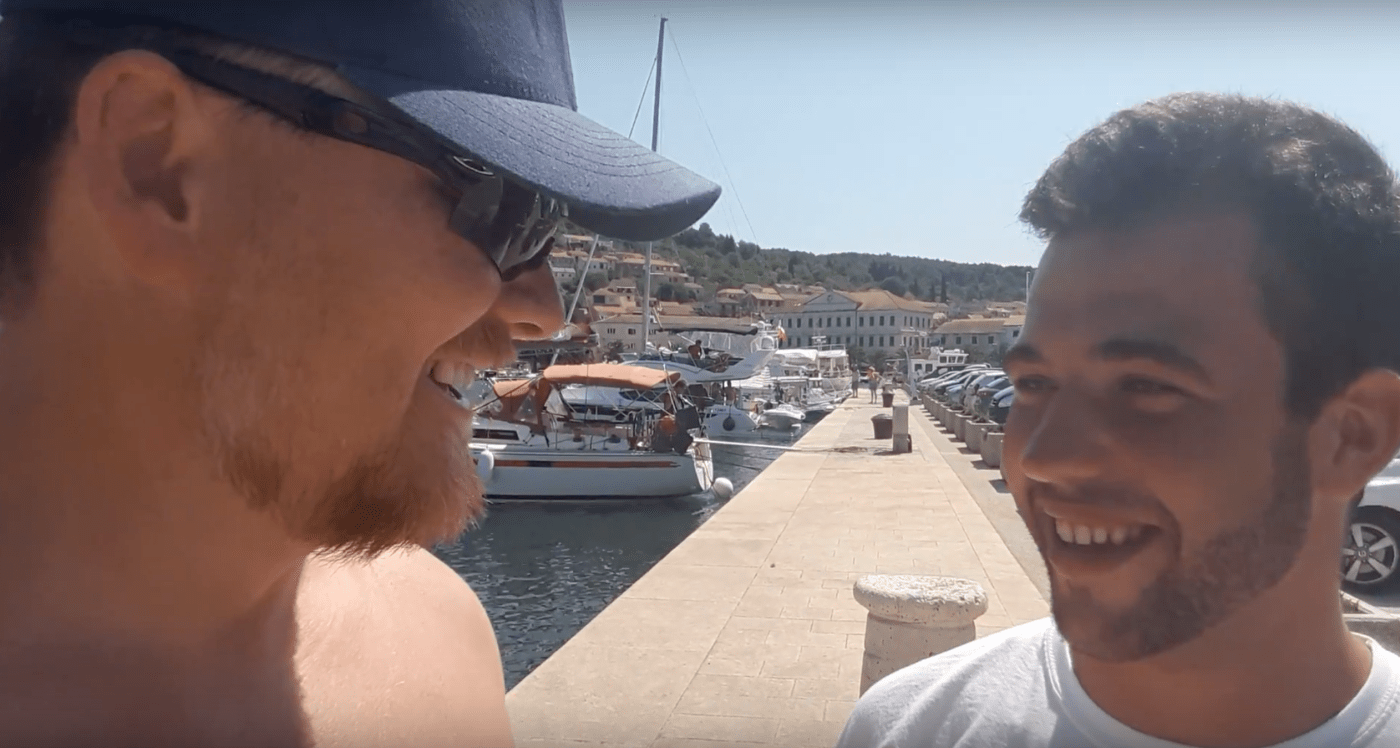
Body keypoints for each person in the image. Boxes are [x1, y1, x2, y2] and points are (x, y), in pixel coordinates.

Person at [0, 1, 719, 746]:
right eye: (496, 199)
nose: (543, 311)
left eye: (548, 222)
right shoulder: (428, 648)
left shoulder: (441, 646)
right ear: (156, 164)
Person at [838, 92, 1400, 747]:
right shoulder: (907, 728)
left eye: (1144, 386)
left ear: (1353, 435)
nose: (1044, 458)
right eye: (1034, 384)